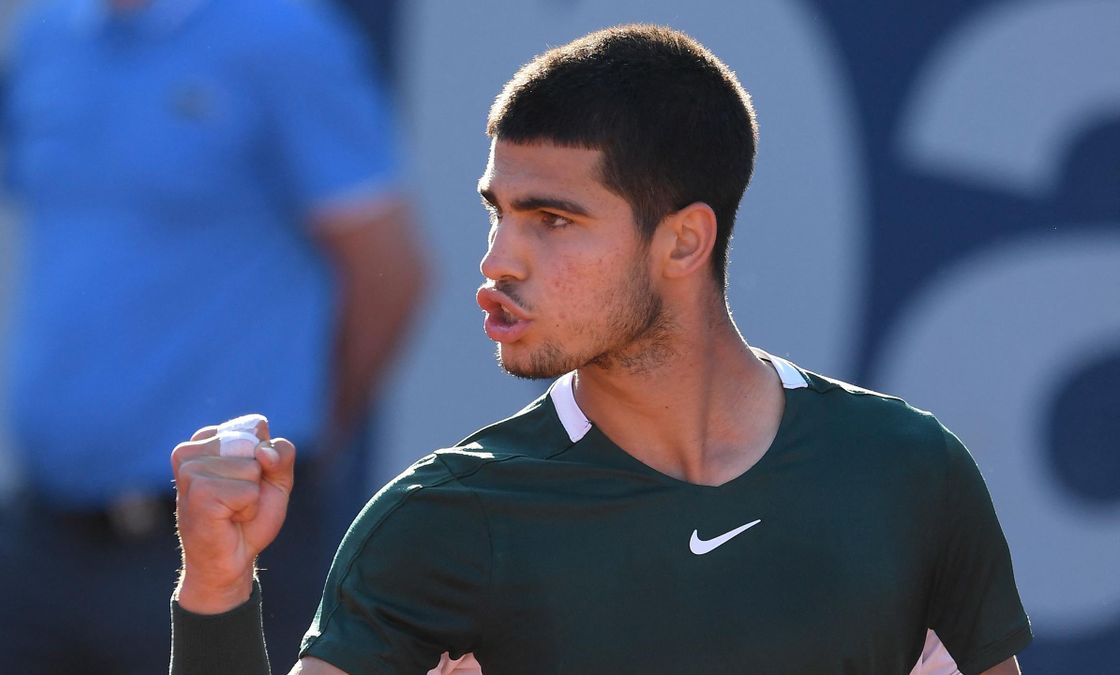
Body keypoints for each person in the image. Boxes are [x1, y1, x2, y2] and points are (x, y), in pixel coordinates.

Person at [169, 24, 1031, 674]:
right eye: (497, 212)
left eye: (553, 219)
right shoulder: (437, 521)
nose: (498, 261)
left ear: (685, 243)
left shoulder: (912, 471)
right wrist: (214, 592)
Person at [0, 0, 427, 673]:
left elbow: (390, 273)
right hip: (40, 533)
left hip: (217, 544)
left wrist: (303, 442)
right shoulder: (46, 33)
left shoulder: (286, 40)